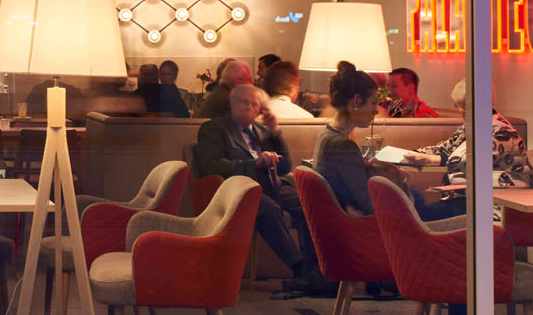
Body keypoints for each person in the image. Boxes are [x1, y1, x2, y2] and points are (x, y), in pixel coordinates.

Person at [192, 84, 325, 296]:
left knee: (308, 203)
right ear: (232, 104)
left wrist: (276, 133)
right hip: (237, 189)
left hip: (271, 185)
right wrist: (254, 164)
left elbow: (284, 167)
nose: (250, 108)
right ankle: (299, 268)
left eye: (254, 104)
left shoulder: (262, 131)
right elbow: (211, 166)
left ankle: (316, 271)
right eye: (244, 103)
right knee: (266, 207)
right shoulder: (215, 129)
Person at [314, 61, 458, 222]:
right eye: (373, 103)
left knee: (420, 198)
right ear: (357, 101)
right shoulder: (343, 146)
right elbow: (369, 204)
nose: (375, 111)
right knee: (437, 203)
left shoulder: (327, 135)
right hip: (365, 228)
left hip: (343, 223)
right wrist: (401, 182)